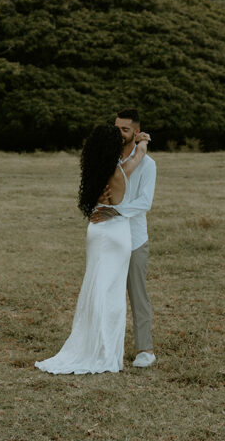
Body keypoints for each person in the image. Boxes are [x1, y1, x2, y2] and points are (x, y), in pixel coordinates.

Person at [35, 123, 150, 374]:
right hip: (117, 232)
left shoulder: (92, 172)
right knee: (112, 294)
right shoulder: (120, 171)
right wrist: (143, 140)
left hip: (96, 232)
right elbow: (140, 155)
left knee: (96, 286)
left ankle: (91, 345)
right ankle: (104, 351)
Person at [90, 108, 157, 368]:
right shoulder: (106, 158)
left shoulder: (148, 165)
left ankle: (145, 350)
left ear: (137, 133)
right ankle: (103, 346)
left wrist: (114, 210)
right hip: (107, 236)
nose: (119, 133)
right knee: (104, 292)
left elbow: (144, 203)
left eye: (125, 130)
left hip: (134, 237)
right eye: (116, 128)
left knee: (137, 294)